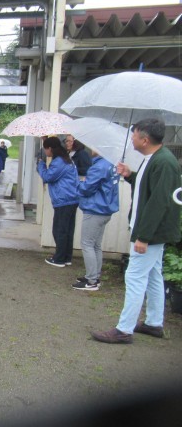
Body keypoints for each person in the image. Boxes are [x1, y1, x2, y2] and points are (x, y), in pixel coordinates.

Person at [91, 118, 181, 344]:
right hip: (150, 231)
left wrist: (144, 237)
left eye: (134, 134)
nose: (131, 138)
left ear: (145, 139)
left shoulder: (164, 163)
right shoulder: (155, 159)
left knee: (135, 276)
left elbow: (159, 202)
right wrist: (130, 175)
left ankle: (124, 329)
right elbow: (147, 189)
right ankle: (154, 323)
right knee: (153, 275)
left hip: (151, 233)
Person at [72, 150, 120, 291]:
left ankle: (91, 280)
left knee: (87, 244)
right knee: (95, 245)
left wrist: (79, 182)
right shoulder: (111, 164)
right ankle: (94, 277)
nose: (91, 150)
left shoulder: (99, 167)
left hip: (95, 209)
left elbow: (86, 189)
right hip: (105, 209)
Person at [36, 136, 79, 268]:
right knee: (68, 230)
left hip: (64, 200)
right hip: (72, 199)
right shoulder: (66, 159)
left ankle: (59, 259)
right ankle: (66, 257)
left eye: (45, 149)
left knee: (59, 230)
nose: (45, 152)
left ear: (50, 148)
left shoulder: (59, 162)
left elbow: (48, 176)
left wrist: (41, 165)